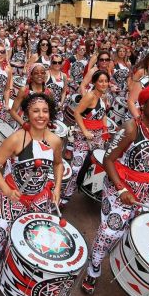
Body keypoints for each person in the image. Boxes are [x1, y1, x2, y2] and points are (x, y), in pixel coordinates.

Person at [81, 80, 149, 294]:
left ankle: (125, 264)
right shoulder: (130, 128)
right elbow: (108, 159)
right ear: (143, 106)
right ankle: (93, 269)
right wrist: (121, 189)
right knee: (110, 231)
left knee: (139, 230)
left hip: (147, 190)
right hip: (120, 187)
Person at [0, 93, 64, 296]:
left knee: (29, 243)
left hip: (39, 201)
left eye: (45, 111)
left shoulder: (54, 141)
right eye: (35, 111)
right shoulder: (16, 139)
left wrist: (57, 188)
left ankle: (16, 274)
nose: (41, 115)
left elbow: (58, 164)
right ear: (27, 113)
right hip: (12, 199)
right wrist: (7, 190)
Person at [61, 70, 110, 205]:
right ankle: (65, 195)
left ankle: (86, 187)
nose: (104, 84)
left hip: (98, 136)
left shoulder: (104, 97)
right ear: (94, 82)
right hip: (83, 136)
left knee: (94, 164)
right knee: (76, 169)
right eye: (100, 81)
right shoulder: (90, 96)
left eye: (106, 81)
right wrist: (85, 131)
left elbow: (103, 115)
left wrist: (105, 131)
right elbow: (77, 113)